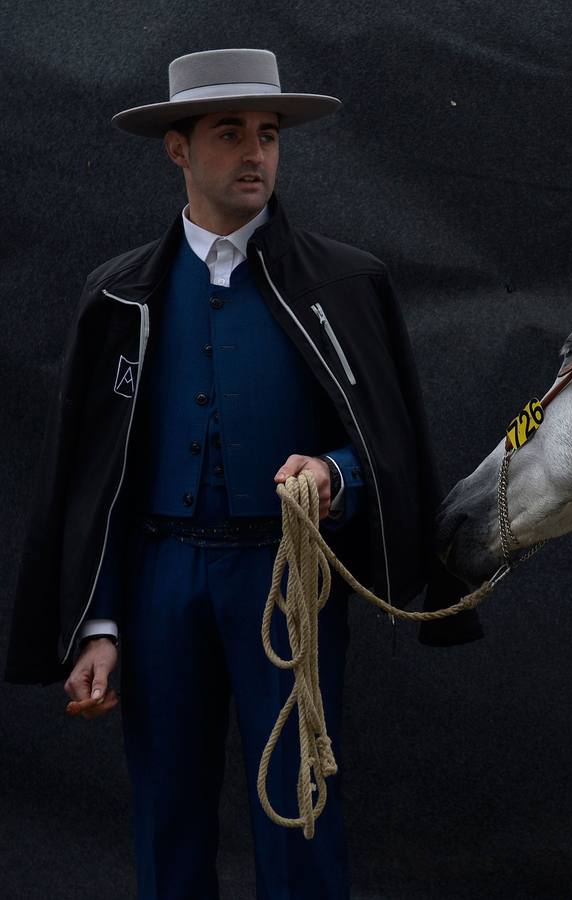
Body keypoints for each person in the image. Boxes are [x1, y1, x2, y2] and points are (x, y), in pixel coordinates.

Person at [3, 48, 480, 899]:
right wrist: (101, 622)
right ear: (178, 149)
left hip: (285, 581)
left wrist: (335, 475)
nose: (255, 153)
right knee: (168, 810)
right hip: (159, 578)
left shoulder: (344, 282)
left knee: (300, 807)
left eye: (267, 134)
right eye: (230, 134)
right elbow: (91, 482)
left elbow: (388, 445)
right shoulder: (120, 295)